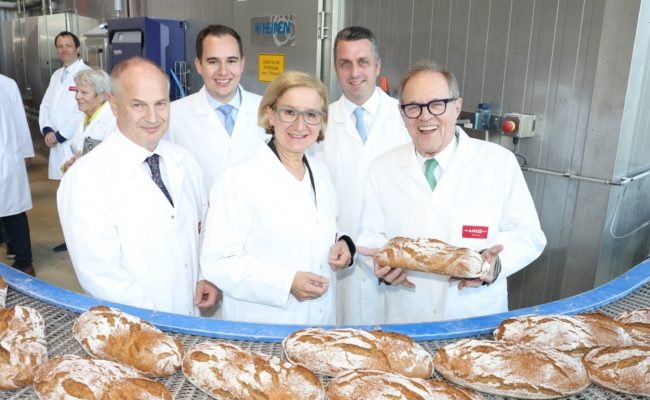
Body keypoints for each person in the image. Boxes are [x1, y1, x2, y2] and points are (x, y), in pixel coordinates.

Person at [357, 60, 546, 323]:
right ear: (401, 114)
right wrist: (379, 263)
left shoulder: (498, 163)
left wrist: (495, 265)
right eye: (413, 107)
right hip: (407, 317)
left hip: (473, 316)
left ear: (457, 107)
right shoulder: (382, 168)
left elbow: (529, 234)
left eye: (437, 104)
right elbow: (369, 234)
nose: (425, 117)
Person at [57, 57, 219, 315]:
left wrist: (204, 275)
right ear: (114, 105)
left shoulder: (185, 162)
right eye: (138, 105)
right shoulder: (86, 178)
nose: (152, 117)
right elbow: (100, 274)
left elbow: (201, 229)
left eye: (161, 104)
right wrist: (154, 321)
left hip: (191, 316)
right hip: (138, 327)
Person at [200, 71, 354, 325]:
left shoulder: (320, 173)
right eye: (289, 112)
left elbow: (324, 230)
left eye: (311, 115)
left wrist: (344, 245)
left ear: (321, 121)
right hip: (264, 326)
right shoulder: (239, 179)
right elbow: (218, 261)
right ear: (270, 114)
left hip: (319, 322)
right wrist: (286, 283)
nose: (300, 125)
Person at [312, 26, 411, 325]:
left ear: (377, 65)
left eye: (363, 62)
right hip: (337, 262)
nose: (354, 72)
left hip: (396, 266)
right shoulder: (318, 123)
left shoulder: (407, 118)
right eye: (345, 63)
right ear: (336, 68)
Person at [167, 24, 268, 192]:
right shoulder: (173, 115)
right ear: (198, 65)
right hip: (203, 216)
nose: (223, 71)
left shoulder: (267, 109)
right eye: (213, 61)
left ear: (242, 64)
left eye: (231, 61)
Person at [39, 31, 90, 180]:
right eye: (60, 46)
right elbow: (45, 105)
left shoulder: (86, 74)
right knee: (63, 188)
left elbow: (83, 110)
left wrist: (59, 135)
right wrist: (47, 130)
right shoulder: (56, 75)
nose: (64, 50)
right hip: (55, 140)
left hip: (74, 141)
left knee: (78, 186)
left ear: (78, 49)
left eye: (68, 45)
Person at [0, 74, 35, 277]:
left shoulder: (7, 83)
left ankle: (25, 264)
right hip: (7, 156)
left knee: (14, 212)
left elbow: (19, 119)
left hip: (8, 156)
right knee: (12, 212)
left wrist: (25, 151)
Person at [61, 68, 115, 172]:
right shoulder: (85, 117)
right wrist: (67, 165)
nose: (77, 96)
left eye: (84, 92)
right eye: (77, 91)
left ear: (101, 96)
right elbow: (74, 149)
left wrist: (78, 164)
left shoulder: (112, 121)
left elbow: (109, 160)